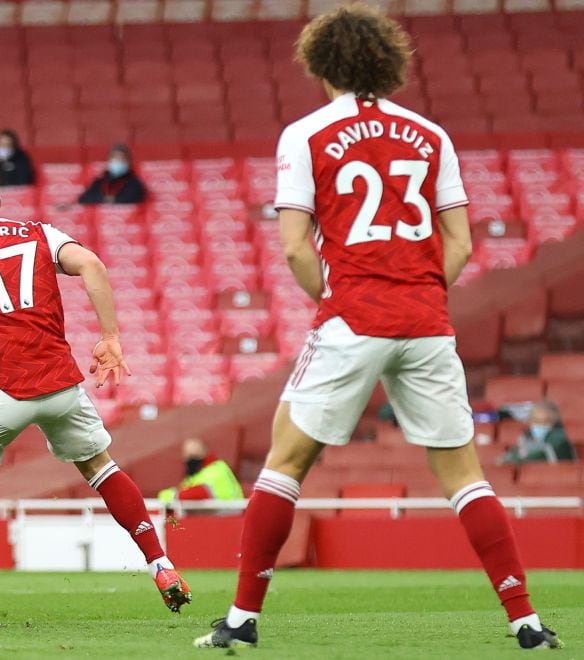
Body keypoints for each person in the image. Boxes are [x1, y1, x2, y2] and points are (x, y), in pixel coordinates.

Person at [194, 5, 561, 651]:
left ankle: (241, 621)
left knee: (285, 463)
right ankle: (526, 622)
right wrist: (416, 291)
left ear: (319, 63)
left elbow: (296, 249)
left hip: (352, 315)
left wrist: (340, 296)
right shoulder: (431, 135)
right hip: (424, 320)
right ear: (390, 61)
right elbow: (461, 242)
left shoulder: (305, 135)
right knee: (464, 476)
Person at [0, 165, 191, 625]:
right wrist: (110, 337)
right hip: (61, 384)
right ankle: (162, 567)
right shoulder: (39, 232)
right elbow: (93, 265)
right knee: (101, 468)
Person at [156, 438, 243, 509]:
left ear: (204, 453)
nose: (190, 460)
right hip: (216, 519)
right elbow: (184, 489)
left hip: (231, 517)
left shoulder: (216, 469)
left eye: (194, 456)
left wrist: (166, 495)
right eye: (188, 456)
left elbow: (198, 493)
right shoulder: (196, 475)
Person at [497, 400, 576, 465]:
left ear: (554, 422)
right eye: (536, 421)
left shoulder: (559, 437)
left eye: (545, 422)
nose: (539, 425)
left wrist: (513, 460)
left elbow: (542, 454)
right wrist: (506, 458)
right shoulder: (527, 436)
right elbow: (516, 451)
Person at [77, 144, 146, 205]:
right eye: (114, 158)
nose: (118, 161)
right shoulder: (99, 181)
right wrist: (103, 199)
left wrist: (115, 200)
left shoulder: (134, 183)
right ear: (108, 161)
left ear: (129, 162)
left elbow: (136, 197)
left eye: (121, 158)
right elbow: (83, 199)